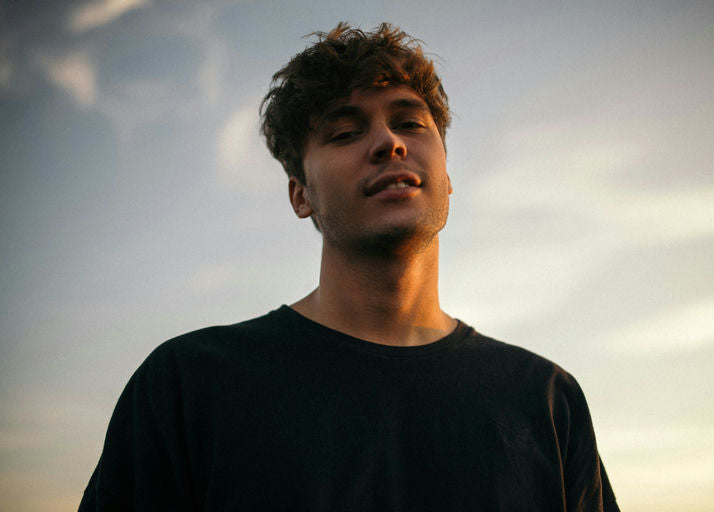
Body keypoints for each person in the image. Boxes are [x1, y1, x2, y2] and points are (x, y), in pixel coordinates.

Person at [80, 23, 619, 511]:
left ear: (448, 176)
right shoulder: (188, 384)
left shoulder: (546, 401)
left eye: (410, 121)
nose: (389, 142)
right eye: (344, 133)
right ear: (300, 195)